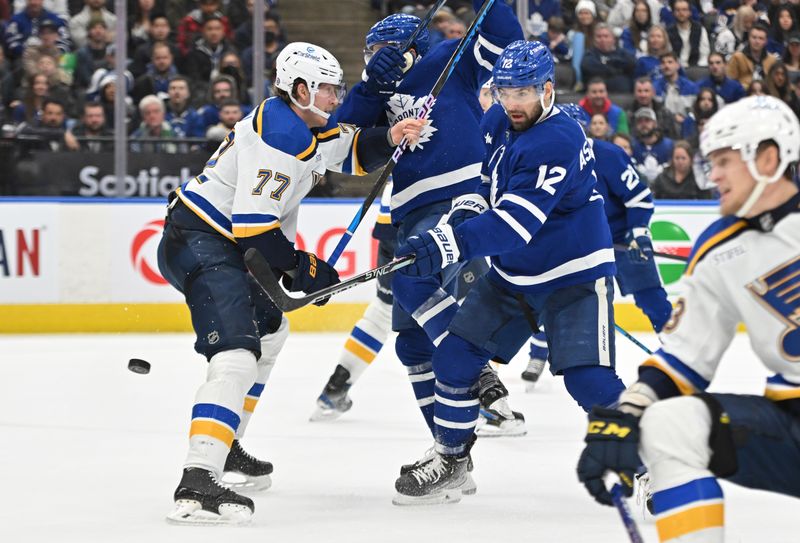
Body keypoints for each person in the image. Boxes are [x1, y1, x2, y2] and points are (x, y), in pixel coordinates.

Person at [157, 41, 425, 525]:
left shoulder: (300, 123)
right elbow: (256, 230)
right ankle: (197, 477)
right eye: (327, 89)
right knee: (237, 353)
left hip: (218, 241)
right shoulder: (281, 134)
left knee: (270, 333)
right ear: (300, 89)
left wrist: (393, 135)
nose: (335, 97)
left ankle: (227, 443)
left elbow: (349, 152)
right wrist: (304, 267)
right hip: (202, 239)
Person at [391, 41, 627, 504]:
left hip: (573, 276)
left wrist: (443, 243)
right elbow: (486, 183)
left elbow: (514, 226)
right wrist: (462, 212)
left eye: (522, 93)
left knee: (588, 380)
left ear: (547, 89)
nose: (512, 102)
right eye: (504, 91)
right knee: (455, 359)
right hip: (515, 276)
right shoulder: (500, 118)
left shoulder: (558, 138)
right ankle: (452, 460)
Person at [576, 95, 800, 542]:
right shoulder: (719, 248)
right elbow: (684, 356)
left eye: (723, 162)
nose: (712, 176)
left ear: (769, 158)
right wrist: (629, 412)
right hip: (790, 424)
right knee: (668, 425)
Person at [330, 2, 524, 472]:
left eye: (380, 52)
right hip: (411, 215)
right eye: (369, 52)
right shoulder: (375, 94)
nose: (372, 58)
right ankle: (451, 456)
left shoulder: (446, 62)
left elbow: (506, 38)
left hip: (460, 199)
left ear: (409, 49)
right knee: (412, 345)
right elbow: (340, 150)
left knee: (412, 283)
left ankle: (474, 366)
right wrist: (371, 85)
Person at [522, 103, 673, 389]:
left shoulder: (608, 155)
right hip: (580, 248)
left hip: (621, 241)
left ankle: (679, 351)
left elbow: (639, 197)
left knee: (652, 298)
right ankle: (538, 354)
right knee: (552, 298)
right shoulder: (549, 158)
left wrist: (639, 233)